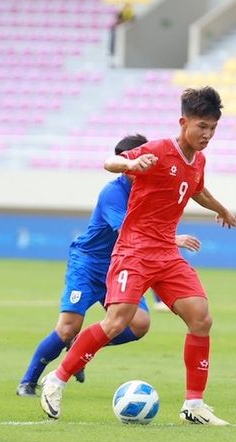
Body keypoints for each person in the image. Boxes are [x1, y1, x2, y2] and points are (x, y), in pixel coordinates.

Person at [40, 86, 236, 426]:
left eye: (212, 129)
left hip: (166, 254)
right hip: (133, 251)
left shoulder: (198, 160)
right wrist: (133, 161)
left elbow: (197, 189)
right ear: (183, 121)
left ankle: (194, 404)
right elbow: (109, 162)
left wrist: (220, 208)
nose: (207, 135)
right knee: (117, 322)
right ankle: (57, 379)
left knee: (201, 318)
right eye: (201, 126)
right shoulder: (160, 149)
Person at [16, 134, 202, 396]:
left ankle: (83, 347)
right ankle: (28, 380)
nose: (146, 165)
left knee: (139, 324)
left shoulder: (151, 187)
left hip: (124, 263)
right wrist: (174, 239)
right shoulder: (113, 192)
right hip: (90, 263)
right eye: (140, 161)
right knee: (68, 328)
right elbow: (128, 230)